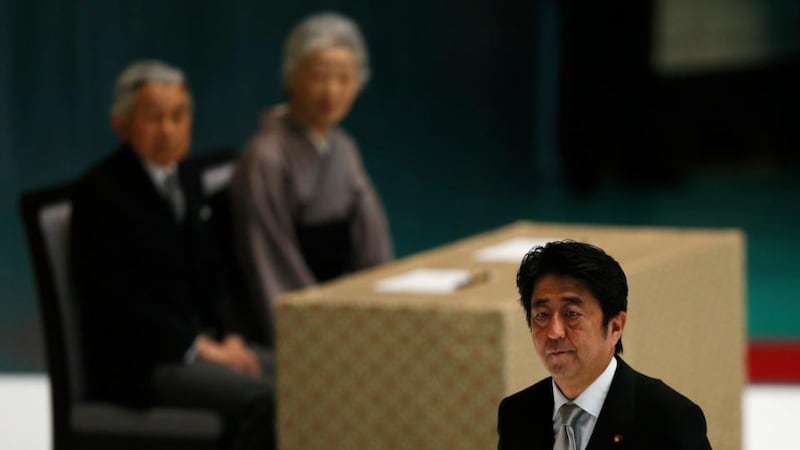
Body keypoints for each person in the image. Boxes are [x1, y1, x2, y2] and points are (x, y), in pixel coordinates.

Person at [70, 60, 274, 450]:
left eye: (179, 116)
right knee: (264, 399)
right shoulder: (101, 193)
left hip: (202, 345)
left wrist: (231, 337)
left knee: (305, 380)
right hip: (143, 363)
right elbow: (120, 303)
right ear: (122, 123)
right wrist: (200, 349)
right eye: (153, 117)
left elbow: (217, 275)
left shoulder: (188, 178)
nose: (168, 129)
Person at [231, 12, 393, 336]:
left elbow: (371, 238)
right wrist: (313, 324)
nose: (331, 91)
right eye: (319, 76)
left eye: (344, 78)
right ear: (291, 76)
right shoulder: (265, 156)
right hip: (302, 315)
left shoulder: (344, 147)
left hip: (347, 302)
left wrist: (382, 294)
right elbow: (271, 258)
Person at [497, 241, 711, 450]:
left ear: (615, 326)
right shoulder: (516, 413)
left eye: (571, 314)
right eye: (542, 315)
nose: (554, 332)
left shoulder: (671, 420)